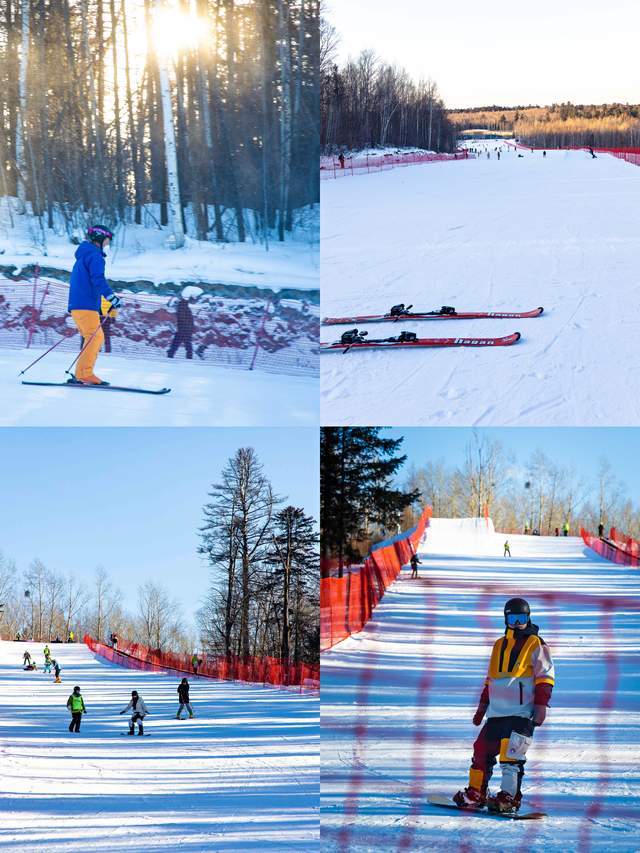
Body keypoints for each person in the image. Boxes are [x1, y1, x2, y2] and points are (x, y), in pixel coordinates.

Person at [454, 598, 555, 813]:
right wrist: (482, 707)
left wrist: (541, 705)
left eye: (522, 618)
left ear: (528, 618)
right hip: (497, 712)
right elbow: (490, 679)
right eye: (513, 618)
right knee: (481, 751)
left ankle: (509, 797)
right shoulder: (499, 644)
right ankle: (476, 793)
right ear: (506, 619)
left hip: (521, 712)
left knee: (511, 756)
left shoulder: (537, 644)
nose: (517, 623)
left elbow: (545, 677)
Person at [68, 225, 120, 385]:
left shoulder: (85, 255)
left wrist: (104, 306)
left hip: (79, 305)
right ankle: (85, 374)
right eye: (106, 240)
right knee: (95, 337)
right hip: (85, 306)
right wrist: (112, 297)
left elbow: (90, 284)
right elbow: (98, 280)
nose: (107, 244)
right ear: (99, 238)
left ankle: (81, 374)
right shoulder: (95, 257)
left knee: (91, 338)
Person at [167, 294, 195, 359]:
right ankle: (189, 358)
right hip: (186, 330)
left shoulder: (181, 308)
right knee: (187, 345)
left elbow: (183, 319)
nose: (174, 307)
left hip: (183, 330)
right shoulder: (185, 308)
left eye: (175, 305)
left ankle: (170, 355)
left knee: (177, 344)